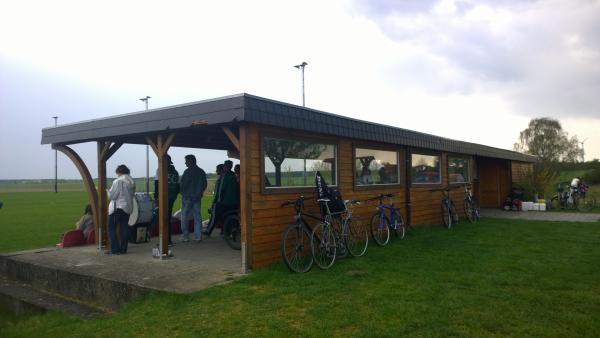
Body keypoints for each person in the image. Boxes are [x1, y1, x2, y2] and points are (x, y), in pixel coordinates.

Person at [107, 164, 135, 255]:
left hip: (117, 208)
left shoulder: (118, 181)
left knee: (111, 228)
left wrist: (108, 191)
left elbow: (113, 196)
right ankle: (123, 249)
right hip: (127, 208)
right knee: (124, 228)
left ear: (119, 172)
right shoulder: (131, 182)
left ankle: (115, 249)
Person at [179, 155, 207, 242]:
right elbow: (204, 184)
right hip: (197, 198)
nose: (185, 163)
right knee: (197, 217)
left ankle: (185, 236)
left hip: (187, 198)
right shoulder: (201, 172)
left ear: (192, 161)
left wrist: (182, 192)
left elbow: (183, 185)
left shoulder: (187, 172)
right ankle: (198, 236)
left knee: (184, 217)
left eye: (186, 161)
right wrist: (199, 193)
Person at [154, 154, 180, 245]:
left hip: (163, 196)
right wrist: (175, 195)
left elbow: (157, 184)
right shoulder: (175, 172)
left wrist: (156, 197)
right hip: (172, 197)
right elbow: (178, 186)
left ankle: (165, 241)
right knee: (168, 218)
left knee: (162, 218)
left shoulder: (160, 170)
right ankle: (168, 240)